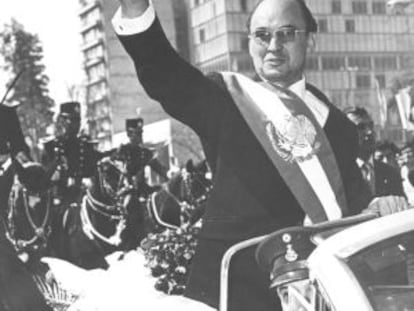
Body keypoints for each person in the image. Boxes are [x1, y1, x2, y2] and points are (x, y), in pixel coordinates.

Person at [111, 0, 408, 310]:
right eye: (262, 35)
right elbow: (165, 74)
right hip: (233, 290)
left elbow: (351, 203)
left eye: (287, 33)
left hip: (317, 293)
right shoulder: (226, 100)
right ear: (249, 42)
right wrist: (135, 7)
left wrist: (377, 206)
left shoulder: (339, 126)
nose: (273, 46)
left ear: (310, 39)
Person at [41, 101, 102, 206]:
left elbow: (94, 170)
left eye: (78, 120)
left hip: (85, 197)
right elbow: (45, 178)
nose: (76, 124)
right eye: (72, 120)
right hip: (61, 199)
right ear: (62, 121)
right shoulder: (51, 146)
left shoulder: (86, 145)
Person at [344, 107, 406, 197]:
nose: (369, 132)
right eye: (360, 127)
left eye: (371, 126)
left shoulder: (389, 173)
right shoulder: (340, 174)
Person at [112, 117, 168, 199]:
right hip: (125, 192)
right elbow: (114, 172)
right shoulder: (122, 152)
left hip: (142, 190)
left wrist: (169, 174)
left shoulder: (145, 152)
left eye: (141, 133)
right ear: (129, 134)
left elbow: (159, 168)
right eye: (137, 134)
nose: (140, 136)